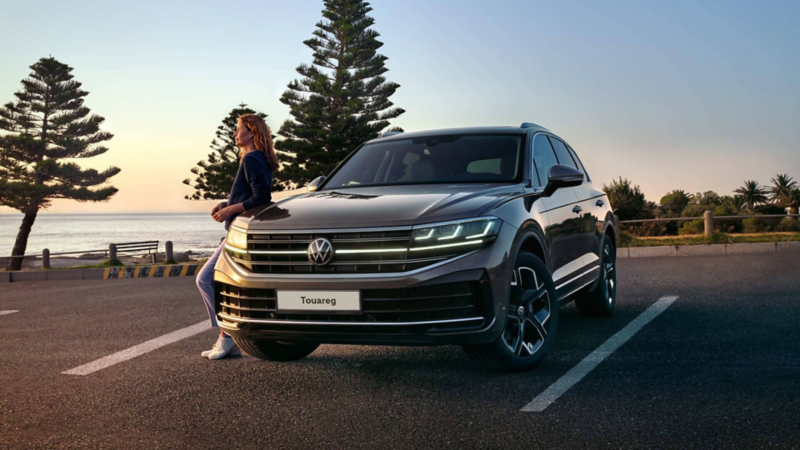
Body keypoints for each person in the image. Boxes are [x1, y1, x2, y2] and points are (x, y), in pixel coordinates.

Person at [196, 114, 278, 359]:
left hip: (238, 233)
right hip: (240, 231)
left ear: (251, 132)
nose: (234, 134)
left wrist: (231, 210)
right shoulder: (256, 158)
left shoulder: (252, 158)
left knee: (205, 279)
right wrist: (226, 203)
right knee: (216, 281)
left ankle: (227, 336)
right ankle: (228, 337)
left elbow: (262, 197)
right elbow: (252, 195)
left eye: (239, 129)